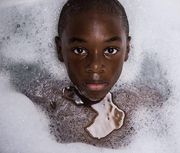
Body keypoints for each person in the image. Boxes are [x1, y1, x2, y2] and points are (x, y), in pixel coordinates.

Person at [6, 0, 169, 149]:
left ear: (127, 50)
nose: (95, 66)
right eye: (80, 50)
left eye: (110, 50)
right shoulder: (35, 99)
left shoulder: (147, 103)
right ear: (59, 50)